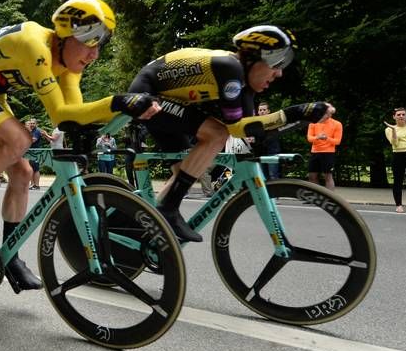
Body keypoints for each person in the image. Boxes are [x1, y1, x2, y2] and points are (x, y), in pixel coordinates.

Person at [0, 0, 159, 291]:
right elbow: (59, 112)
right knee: (19, 139)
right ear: (66, 34)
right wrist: (121, 102)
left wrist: (121, 112)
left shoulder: (70, 65)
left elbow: (74, 117)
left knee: (20, 171)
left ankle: (11, 255)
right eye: (90, 41)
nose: (94, 54)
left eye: (101, 43)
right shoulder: (37, 48)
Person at [127, 25, 331, 242]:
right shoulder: (229, 68)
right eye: (277, 62)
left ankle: (144, 231)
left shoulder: (245, 83)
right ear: (252, 58)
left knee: (185, 171)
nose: (280, 72)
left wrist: (302, 116)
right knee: (217, 134)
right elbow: (235, 128)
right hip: (146, 96)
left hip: (166, 98)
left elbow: (252, 128)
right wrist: (297, 112)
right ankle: (167, 211)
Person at [307, 104, 343, 190]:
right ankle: (316, 197)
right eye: (324, 113)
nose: (326, 115)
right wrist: (318, 137)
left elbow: (337, 141)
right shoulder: (313, 123)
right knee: (312, 176)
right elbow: (309, 138)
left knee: (327, 176)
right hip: (315, 152)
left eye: (328, 113)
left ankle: (330, 199)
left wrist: (327, 138)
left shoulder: (337, 124)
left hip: (328, 153)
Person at [256, 102, 281, 179]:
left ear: (268, 111)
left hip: (272, 152)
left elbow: (272, 137)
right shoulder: (255, 123)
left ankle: (276, 191)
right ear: (258, 112)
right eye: (260, 110)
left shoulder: (273, 122)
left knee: (273, 176)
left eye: (264, 109)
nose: (262, 111)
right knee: (263, 177)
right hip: (260, 153)